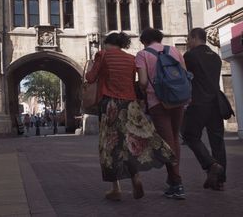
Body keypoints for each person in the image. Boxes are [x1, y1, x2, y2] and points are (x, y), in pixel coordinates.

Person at [86, 32, 176, 201]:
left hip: (110, 105)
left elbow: (90, 78)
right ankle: (137, 176)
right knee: (130, 143)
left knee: (110, 147)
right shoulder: (130, 59)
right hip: (130, 104)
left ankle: (116, 188)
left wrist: (92, 65)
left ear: (107, 43)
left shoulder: (102, 55)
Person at [136, 28, 186, 199]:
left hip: (157, 101)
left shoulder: (143, 54)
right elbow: (185, 74)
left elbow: (142, 81)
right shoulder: (173, 50)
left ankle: (177, 183)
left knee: (167, 142)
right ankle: (173, 181)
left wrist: (144, 91)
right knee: (174, 138)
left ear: (144, 41)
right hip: (178, 100)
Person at [182, 28, 226, 191]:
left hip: (199, 103)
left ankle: (211, 164)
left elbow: (184, 77)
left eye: (188, 39)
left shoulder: (190, 56)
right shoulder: (216, 57)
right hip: (216, 102)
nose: (188, 42)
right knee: (217, 142)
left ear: (194, 38)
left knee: (190, 135)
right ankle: (219, 181)